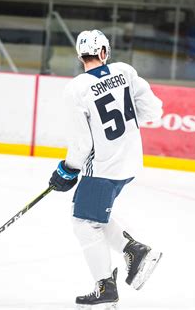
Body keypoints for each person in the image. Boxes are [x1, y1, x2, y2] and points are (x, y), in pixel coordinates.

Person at [49, 29, 163, 309]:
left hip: (103, 168)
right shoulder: (125, 71)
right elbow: (153, 113)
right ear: (104, 53)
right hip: (130, 163)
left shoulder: (76, 88)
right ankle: (134, 251)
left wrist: (67, 169)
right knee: (94, 218)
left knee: (84, 223)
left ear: (80, 56)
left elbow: (81, 142)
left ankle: (106, 286)